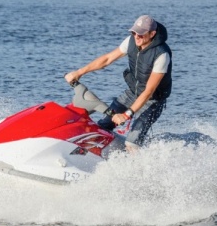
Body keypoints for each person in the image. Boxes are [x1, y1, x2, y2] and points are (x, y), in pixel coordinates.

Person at [65, 15, 172, 150]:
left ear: (152, 34)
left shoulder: (161, 54)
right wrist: (79, 72)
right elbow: (107, 59)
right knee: (102, 128)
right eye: (134, 32)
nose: (136, 36)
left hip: (152, 100)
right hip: (132, 93)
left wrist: (127, 114)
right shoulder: (131, 41)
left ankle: (138, 169)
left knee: (131, 143)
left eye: (141, 34)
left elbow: (149, 90)